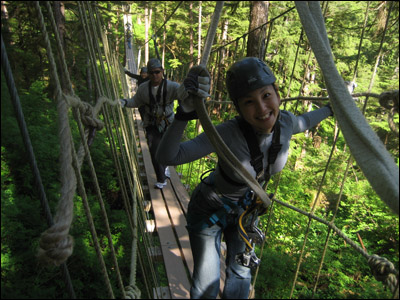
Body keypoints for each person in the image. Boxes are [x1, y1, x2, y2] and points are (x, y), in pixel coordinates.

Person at [156, 57, 333, 299]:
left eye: (266, 95)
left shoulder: (286, 123)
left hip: (246, 213)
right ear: (238, 108)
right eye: (249, 102)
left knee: (241, 275)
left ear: (277, 95)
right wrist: (184, 113)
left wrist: (333, 108)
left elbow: (307, 120)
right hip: (210, 209)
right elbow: (168, 156)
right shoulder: (227, 133)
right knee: (207, 284)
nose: (261, 108)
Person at [120, 58, 180, 189]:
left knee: (168, 149)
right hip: (152, 123)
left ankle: (165, 168)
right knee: (155, 151)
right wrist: (124, 102)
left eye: (157, 72)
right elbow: (135, 101)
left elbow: (184, 95)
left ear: (162, 71)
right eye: (151, 72)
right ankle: (161, 178)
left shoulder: (172, 87)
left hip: (169, 123)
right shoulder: (143, 88)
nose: (154, 75)